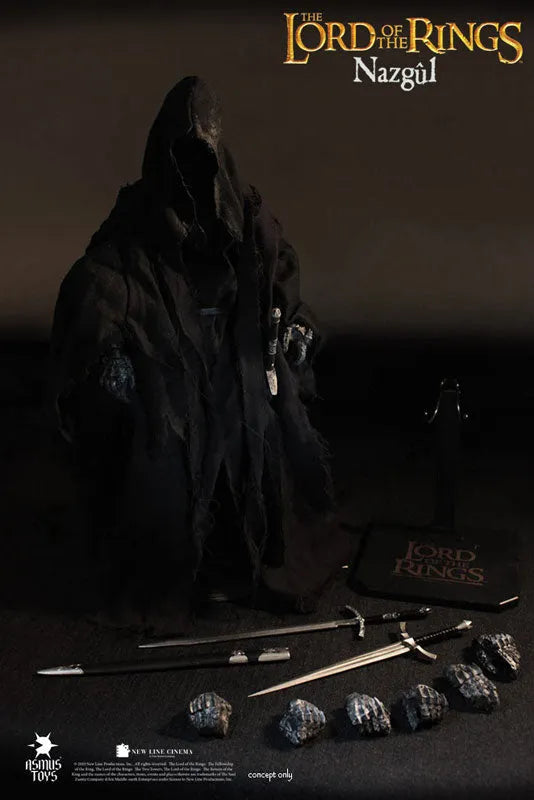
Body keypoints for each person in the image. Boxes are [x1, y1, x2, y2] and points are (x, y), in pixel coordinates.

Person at [48, 76, 351, 632]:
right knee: (168, 433)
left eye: (201, 159)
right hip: (167, 356)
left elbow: (280, 275)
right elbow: (98, 280)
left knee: (259, 420)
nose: (192, 177)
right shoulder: (135, 223)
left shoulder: (245, 215)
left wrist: (294, 327)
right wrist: (110, 354)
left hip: (236, 352)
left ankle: (248, 553)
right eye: (181, 159)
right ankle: (177, 568)